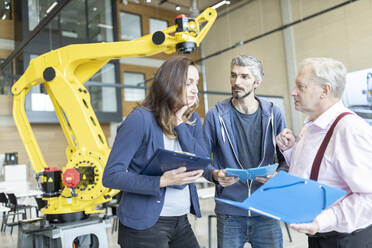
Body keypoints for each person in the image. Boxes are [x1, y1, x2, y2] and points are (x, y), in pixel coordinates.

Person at [102, 56, 207, 248]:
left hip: (180, 220)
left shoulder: (191, 121)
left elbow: (202, 160)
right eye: (188, 83)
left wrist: (179, 123)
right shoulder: (140, 119)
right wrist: (163, 181)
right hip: (143, 224)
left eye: (197, 83)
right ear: (170, 83)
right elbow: (111, 176)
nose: (195, 89)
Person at [276, 57, 372, 248]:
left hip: (345, 240)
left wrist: (322, 221)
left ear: (325, 90)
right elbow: (318, 170)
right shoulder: (312, 126)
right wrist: (290, 151)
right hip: (318, 235)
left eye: (300, 86)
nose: (292, 92)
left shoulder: (349, 129)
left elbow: (368, 197)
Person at [203, 54, 287, 248]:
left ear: (257, 81)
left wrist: (278, 176)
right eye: (233, 76)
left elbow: (287, 161)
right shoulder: (215, 115)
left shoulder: (274, 114)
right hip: (230, 211)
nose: (236, 82)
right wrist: (214, 174)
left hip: (266, 209)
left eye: (244, 77)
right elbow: (202, 160)